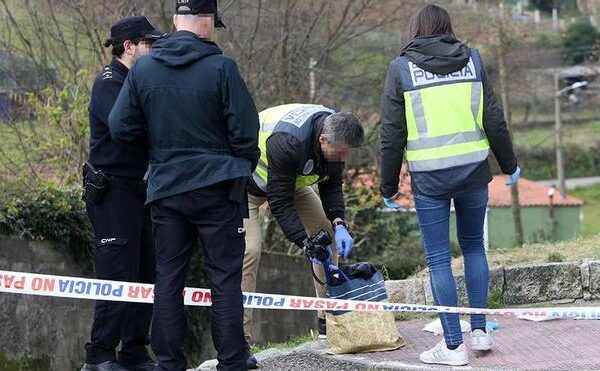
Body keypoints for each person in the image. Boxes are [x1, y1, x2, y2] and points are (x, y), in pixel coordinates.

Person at [108, 1, 260, 370]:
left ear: (176, 22)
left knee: (168, 279)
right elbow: (246, 133)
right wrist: (236, 167)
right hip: (218, 189)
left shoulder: (144, 69)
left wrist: (159, 154)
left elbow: (120, 127)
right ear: (207, 23)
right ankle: (232, 362)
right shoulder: (222, 68)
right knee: (224, 279)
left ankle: (169, 363)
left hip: (167, 189)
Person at [379, 4, 520, 367]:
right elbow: (494, 118)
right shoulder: (472, 59)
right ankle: (479, 331)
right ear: (447, 28)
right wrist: (510, 164)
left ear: (415, 30)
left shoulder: (401, 69)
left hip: (430, 179)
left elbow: (392, 133)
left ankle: (453, 347)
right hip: (473, 172)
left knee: (439, 258)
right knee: (474, 248)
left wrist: (387, 185)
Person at [242, 104, 364, 366]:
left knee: (327, 237)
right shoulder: (288, 142)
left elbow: (331, 184)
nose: (342, 159)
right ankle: (240, 339)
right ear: (322, 140)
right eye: (339, 153)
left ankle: (327, 320)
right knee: (248, 253)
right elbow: (280, 202)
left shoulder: (335, 130)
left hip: (290, 182)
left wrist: (339, 223)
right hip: (248, 185)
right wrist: (304, 242)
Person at [81, 16, 164, 371]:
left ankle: (133, 350)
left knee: (145, 273)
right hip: (113, 191)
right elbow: (127, 129)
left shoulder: (136, 81)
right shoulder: (110, 82)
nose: (154, 49)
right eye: (149, 43)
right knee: (117, 274)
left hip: (139, 191)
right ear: (129, 46)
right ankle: (99, 354)